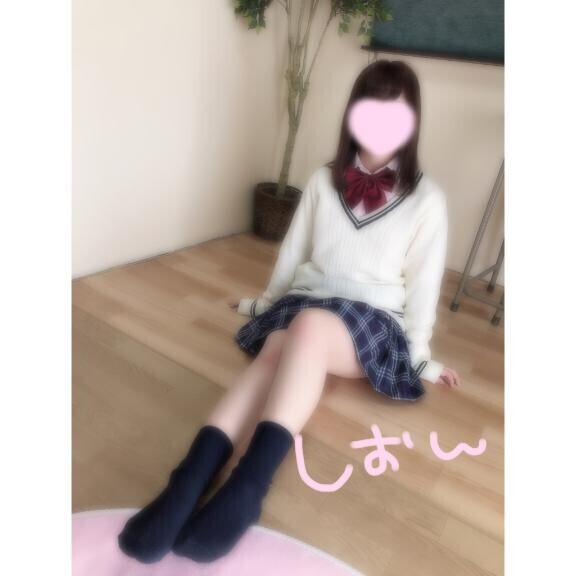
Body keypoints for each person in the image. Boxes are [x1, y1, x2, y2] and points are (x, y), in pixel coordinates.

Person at [118, 59, 461, 565]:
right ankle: (187, 482)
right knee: (280, 343)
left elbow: (425, 285)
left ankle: (249, 483)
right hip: (308, 304)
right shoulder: (323, 180)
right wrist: (263, 304)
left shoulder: (427, 199)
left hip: (373, 322)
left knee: (307, 329)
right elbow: (293, 253)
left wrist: (421, 356)